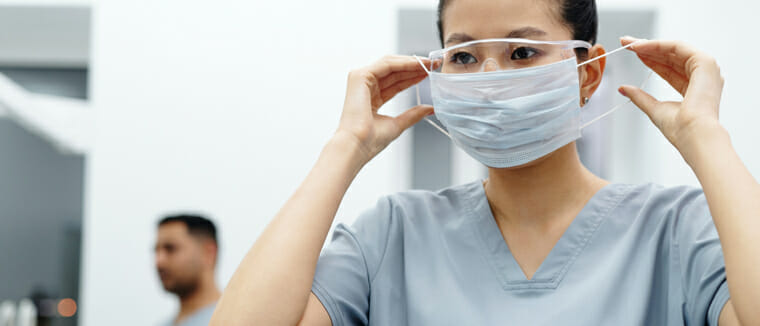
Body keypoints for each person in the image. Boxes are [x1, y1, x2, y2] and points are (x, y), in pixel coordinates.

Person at [211, 0, 760, 325]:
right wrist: (345, 146)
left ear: (587, 73)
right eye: (464, 56)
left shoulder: (677, 231)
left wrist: (705, 137)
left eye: (522, 52)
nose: (490, 80)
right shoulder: (391, 235)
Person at [155, 214, 221, 326]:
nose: (159, 261)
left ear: (208, 253)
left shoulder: (237, 319)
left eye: (170, 248)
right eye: (156, 251)